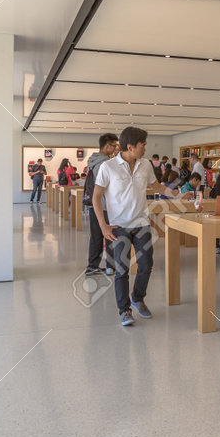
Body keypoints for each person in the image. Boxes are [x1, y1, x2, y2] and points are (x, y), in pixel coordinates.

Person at [94, 126, 158, 327]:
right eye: (142, 145)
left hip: (141, 223)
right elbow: (96, 196)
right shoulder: (108, 167)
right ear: (130, 147)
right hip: (118, 226)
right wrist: (103, 226)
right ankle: (124, 310)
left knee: (146, 264)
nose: (145, 149)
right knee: (122, 270)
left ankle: (137, 298)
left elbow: (157, 186)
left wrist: (180, 195)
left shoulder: (146, 165)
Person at [85, 134, 119, 276]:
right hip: (105, 206)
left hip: (94, 205)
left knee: (96, 236)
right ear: (107, 145)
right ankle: (110, 266)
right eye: (114, 145)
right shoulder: (105, 164)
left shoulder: (92, 161)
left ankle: (92, 266)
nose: (115, 148)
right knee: (110, 235)